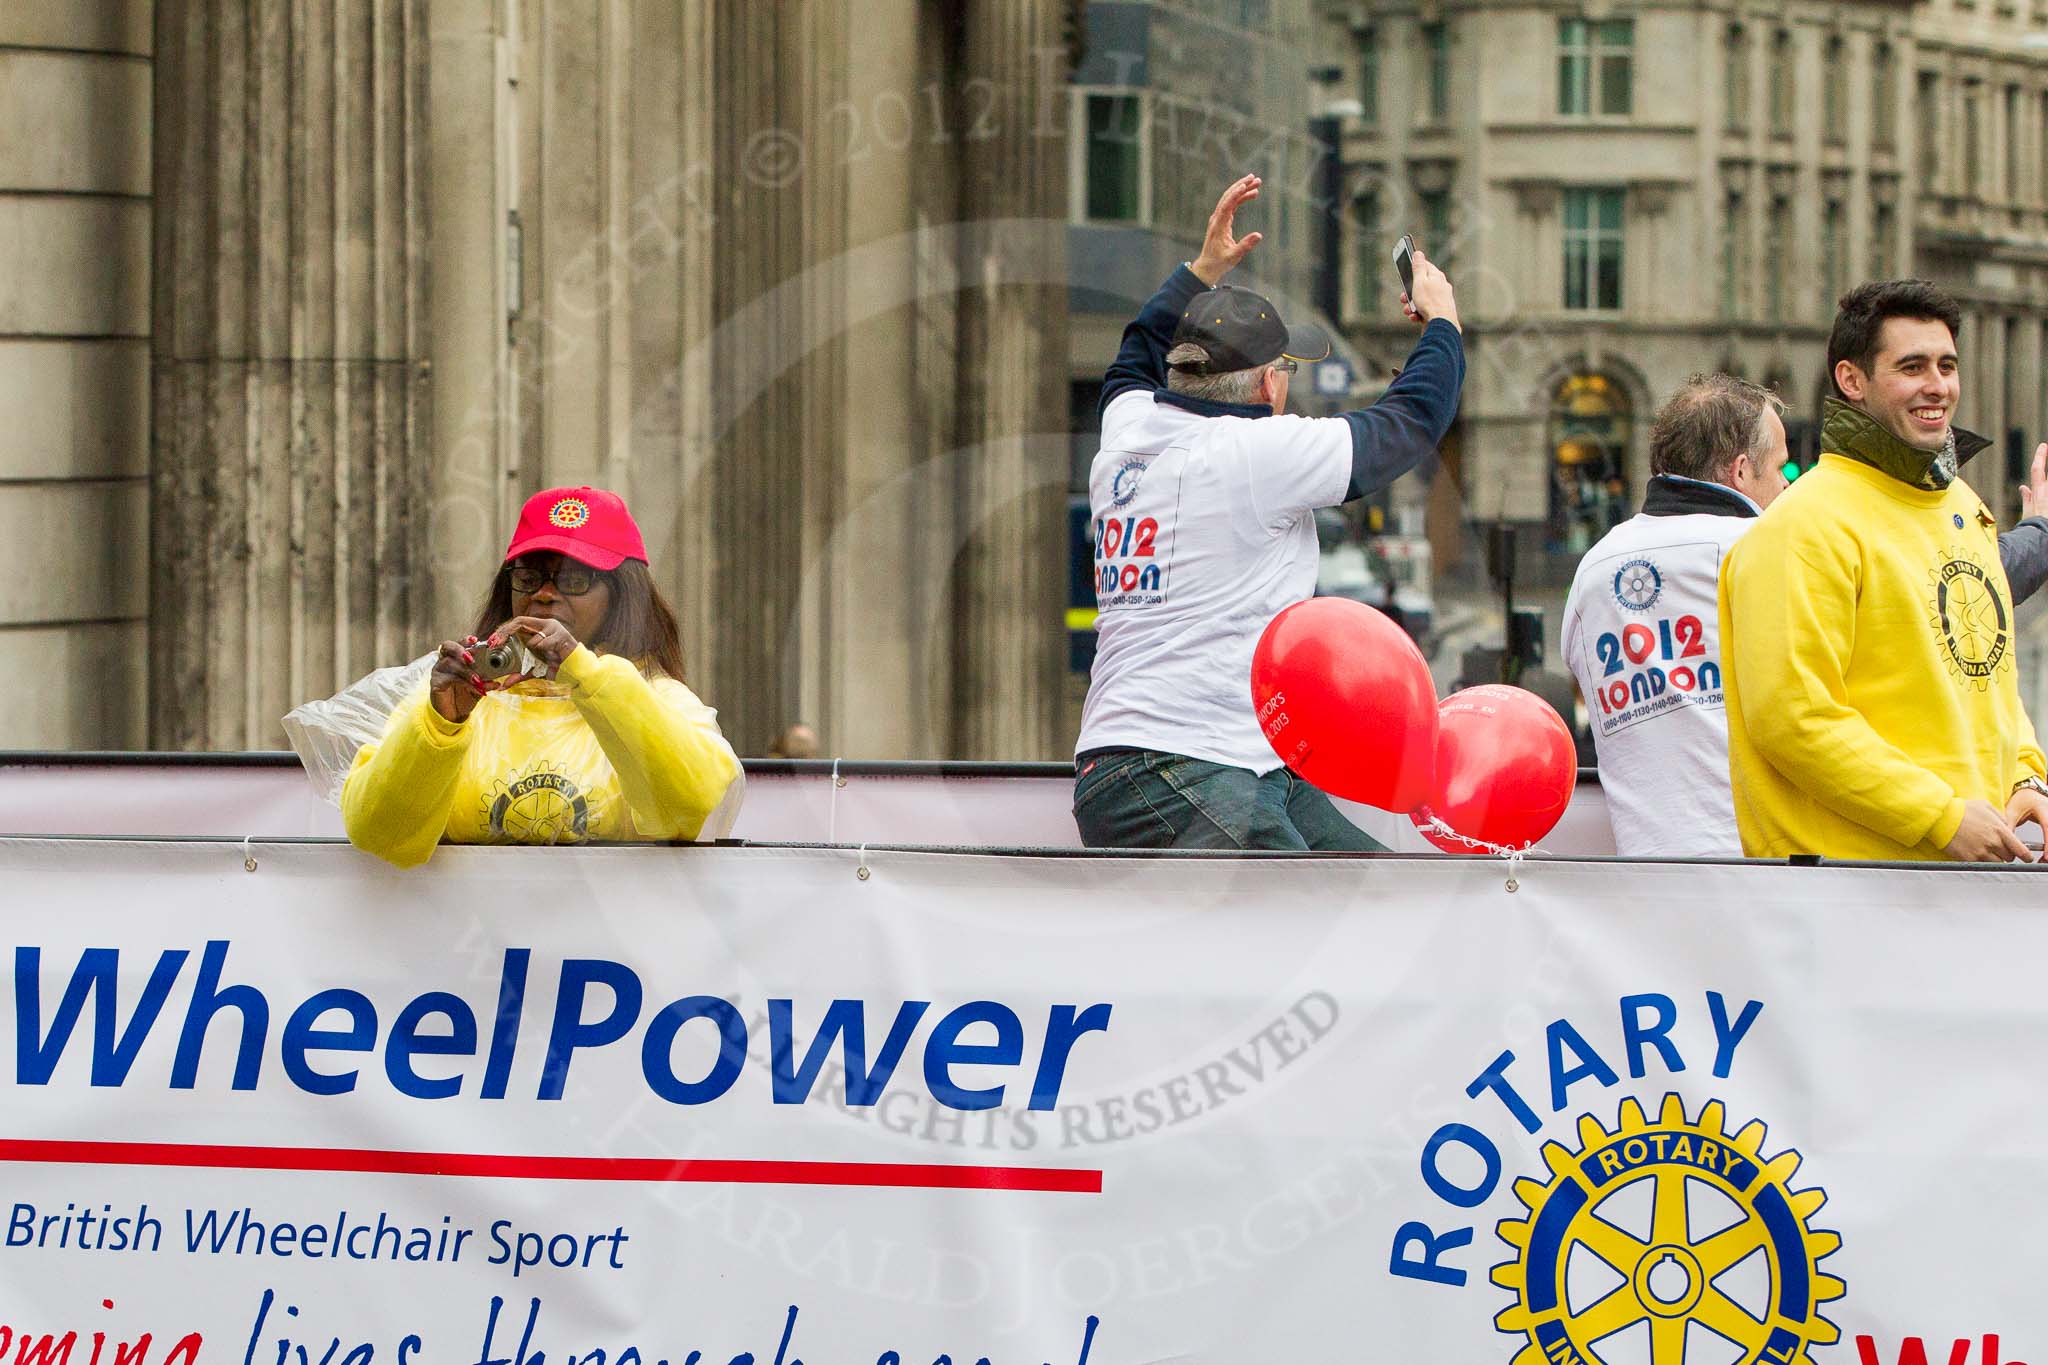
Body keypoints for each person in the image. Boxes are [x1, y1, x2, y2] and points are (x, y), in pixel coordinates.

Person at [1072, 174, 1464, 850]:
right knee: (1317, 915)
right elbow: (1410, 423)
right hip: (1178, 764)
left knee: (1375, 891)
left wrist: (1199, 274)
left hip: (1192, 760)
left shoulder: (1128, 432)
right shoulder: (1257, 452)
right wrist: (1445, 322)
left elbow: (1133, 356)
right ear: (1266, 383)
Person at [1721, 281, 2048, 862]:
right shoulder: (1803, 526)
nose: (1937, 386)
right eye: (1912, 366)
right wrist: (1940, 815)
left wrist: (2027, 777)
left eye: (1947, 365)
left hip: (1969, 884)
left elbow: (1986, 675)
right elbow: (1792, 717)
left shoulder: (1962, 505)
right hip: (1854, 895)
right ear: (1852, 380)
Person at [341, 486, 743, 867]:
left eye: (574, 579)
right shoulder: (459, 700)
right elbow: (379, 836)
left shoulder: (660, 698)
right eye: (530, 577)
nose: (545, 595)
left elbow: (697, 810)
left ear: (623, 595)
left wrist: (580, 669)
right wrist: (442, 726)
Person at [1562, 375, 1790, 858]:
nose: (1785, 484)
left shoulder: (1594, 568)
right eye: (1779, 468)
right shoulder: (1767, 552)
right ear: (1742, 471)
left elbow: (1581, 684)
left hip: (1647, 869)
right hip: (1768, 865)